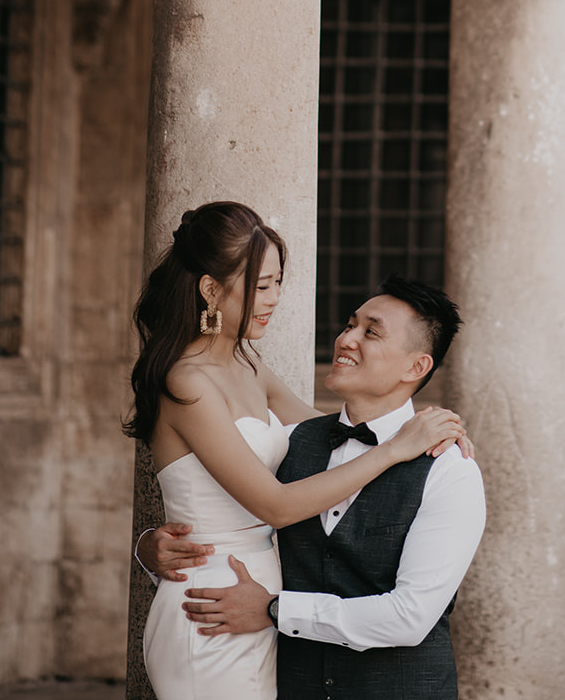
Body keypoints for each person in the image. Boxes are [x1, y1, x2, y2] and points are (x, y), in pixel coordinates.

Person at [127, 202, 466, 700]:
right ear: (210, 290)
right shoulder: (186, 381)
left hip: (262, 601)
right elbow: (276, 505)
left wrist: (424, 430)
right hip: (212, 603)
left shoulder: (248, 365)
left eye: (278, 283)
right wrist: (395, 448)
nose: (275, 299)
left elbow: (335, 432)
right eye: (262, 285)